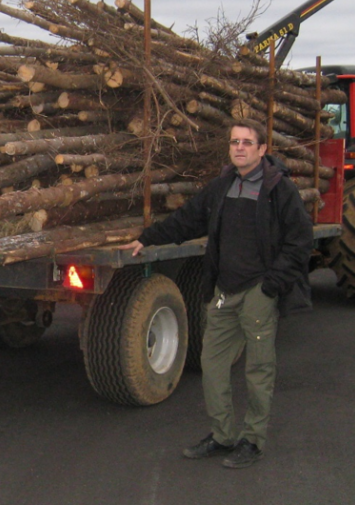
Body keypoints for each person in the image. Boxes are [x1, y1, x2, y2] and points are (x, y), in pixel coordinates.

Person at [120, 118, 313, 469]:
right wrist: (147, 238)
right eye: (234, 142)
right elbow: (188, 219)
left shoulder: (278, 189)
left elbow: (300, 241)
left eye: (246, 142)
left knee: (258, 369)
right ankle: (222, 435)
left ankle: (252, 441)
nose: (239, 147)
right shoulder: (223, 185)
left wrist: (272, 285)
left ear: (262, 149)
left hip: (258, 290)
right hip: (224, 290)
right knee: (212, 364)